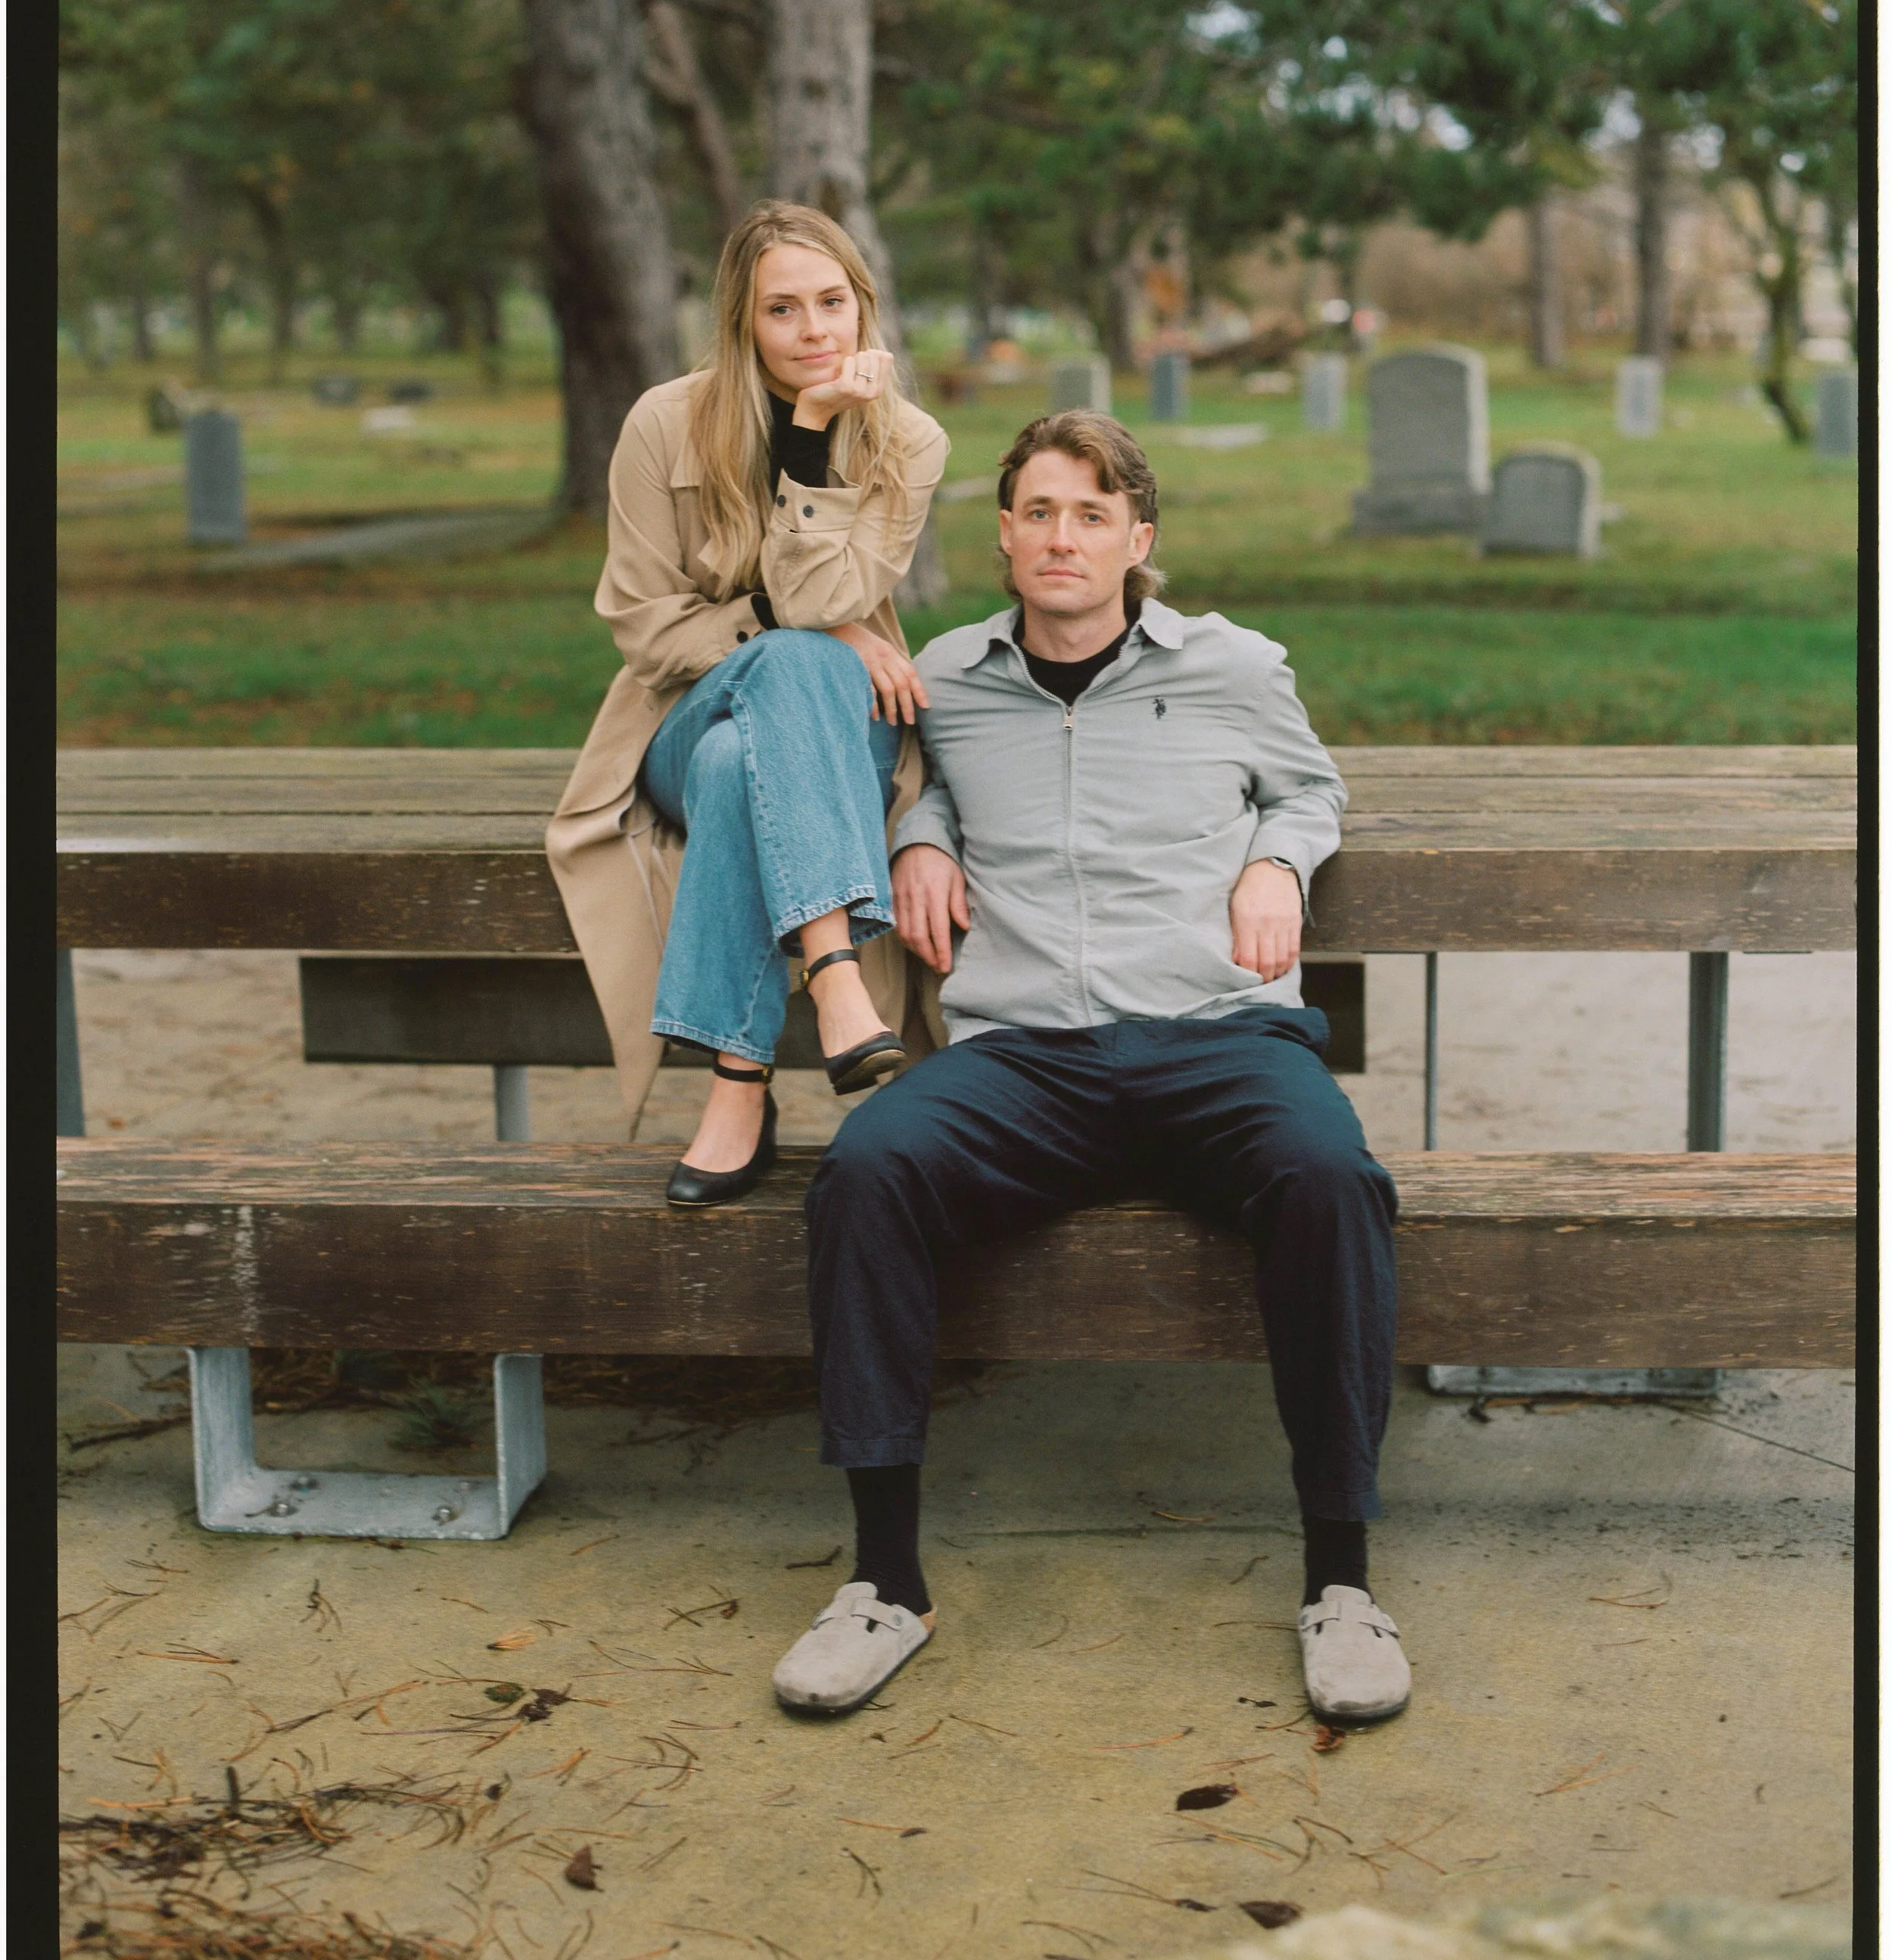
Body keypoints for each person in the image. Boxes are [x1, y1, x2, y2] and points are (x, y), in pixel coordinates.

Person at [770, 409, 1410, 1728]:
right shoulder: (949, 674)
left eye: (1092, 514)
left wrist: (1277, 862)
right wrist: (924, 833)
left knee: (1333, 1177)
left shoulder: (1233, 667)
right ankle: (886, 1581)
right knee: (868, 1169)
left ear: (1138, 540)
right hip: (1026, 1062)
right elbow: (920, 779)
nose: (1063, 537)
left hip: (1214, 1039)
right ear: (1004, 534)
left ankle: (1342, 1582)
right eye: (1040, 513)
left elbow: (1309, 789)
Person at [546, 204, 948, 1203]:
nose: (817, 330)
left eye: (833, 301)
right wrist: (812, 633)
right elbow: (647, 628)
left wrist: (812, 435)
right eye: (784, 309)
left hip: (837, 737)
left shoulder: (908, 439)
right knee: (786, 673)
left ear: (864, 303)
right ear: (742, 321)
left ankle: (738, 1084)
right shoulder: (661, 423)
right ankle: (837, 978)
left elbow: (823, 603)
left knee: (752, 753)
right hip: (680, 719)